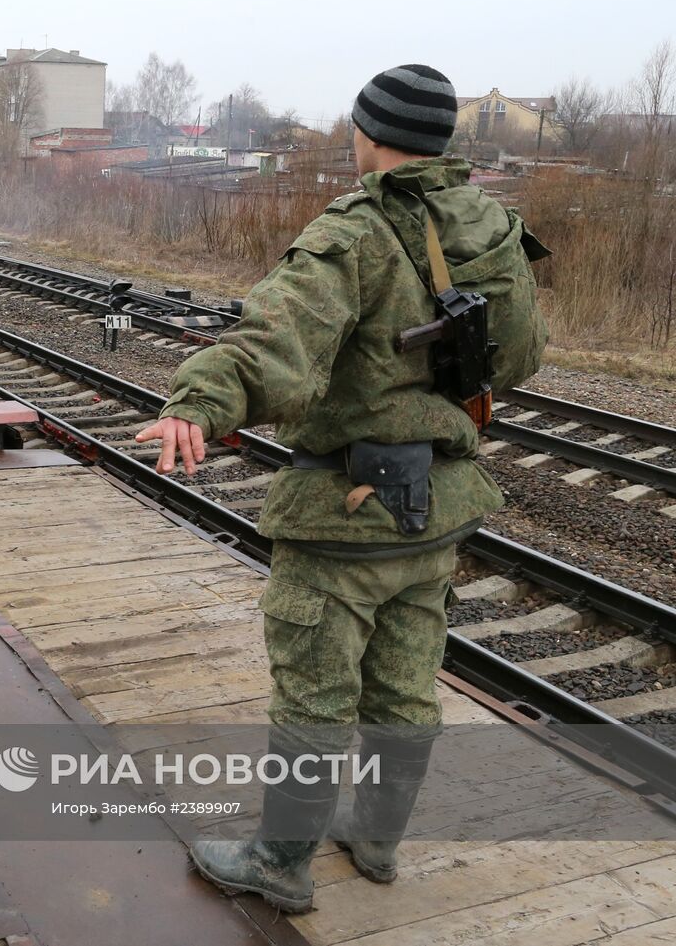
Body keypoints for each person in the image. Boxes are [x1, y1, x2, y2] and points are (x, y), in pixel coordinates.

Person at [136, 64, 549, 912]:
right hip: (438, 507)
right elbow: (521, 354)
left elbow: (275, 347)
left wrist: (197, 403)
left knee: (315, 697)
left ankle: (280, 862)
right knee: (405, 686)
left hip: (346, 518)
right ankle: (377, 841)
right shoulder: (490, 222)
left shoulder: (356, 230)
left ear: (370, 133)